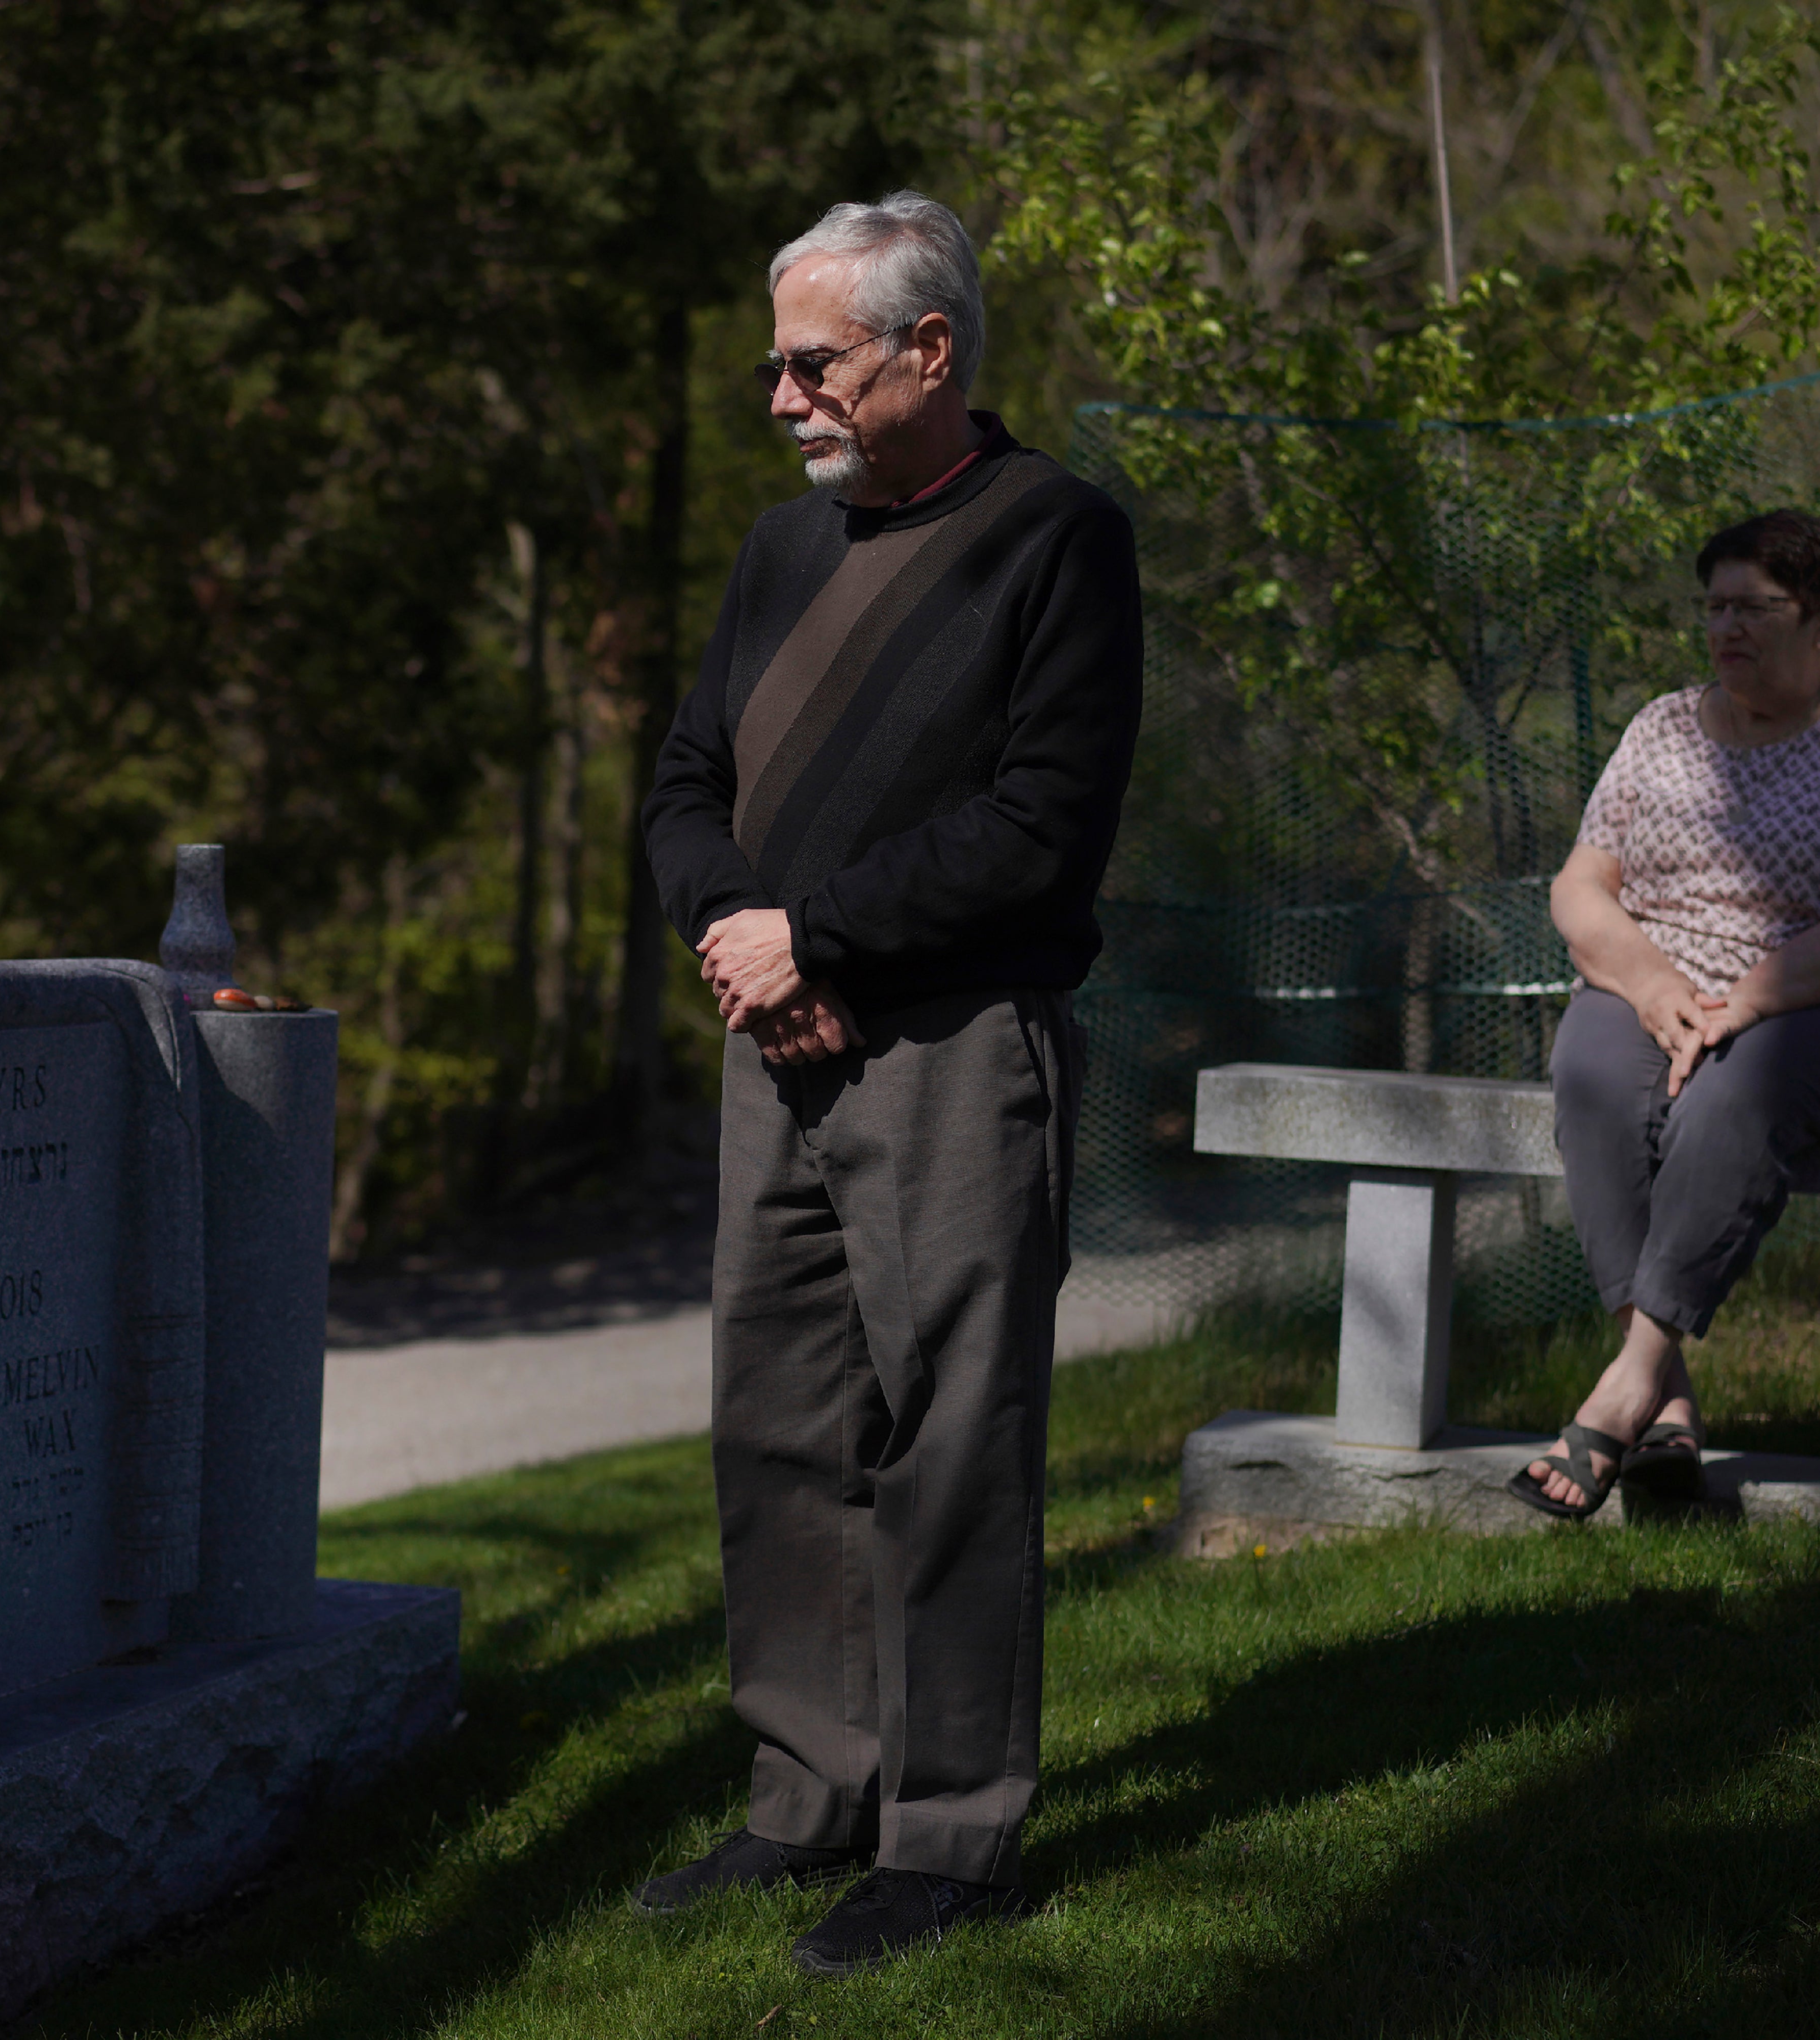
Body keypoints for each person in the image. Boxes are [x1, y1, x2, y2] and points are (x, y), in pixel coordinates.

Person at [632, 191, 1144, 1973]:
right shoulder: (786, 552)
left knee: (952, 1447)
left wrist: (816, 941)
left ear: (929, 352)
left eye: (811, 361)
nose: (782, 397)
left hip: (952, 1051)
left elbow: (1038, 833)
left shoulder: (1058, 540)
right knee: (776, 1433)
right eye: (775, 364)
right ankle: (807, 1800)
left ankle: (948, 1837)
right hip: (774, 1046)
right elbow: (685, 783)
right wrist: (744, 948)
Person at [1517, 508, 1820, 1519]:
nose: (1726, 628)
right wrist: (1659, 987)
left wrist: (1751, 999)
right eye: (1714, 607)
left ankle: (1625, 1382)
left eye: (1755, 608)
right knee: (1588, 1071)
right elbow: (1581, 889)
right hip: (1660, 992)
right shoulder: (1661, 726)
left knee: (1734, 1093)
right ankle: (1665, 1397)